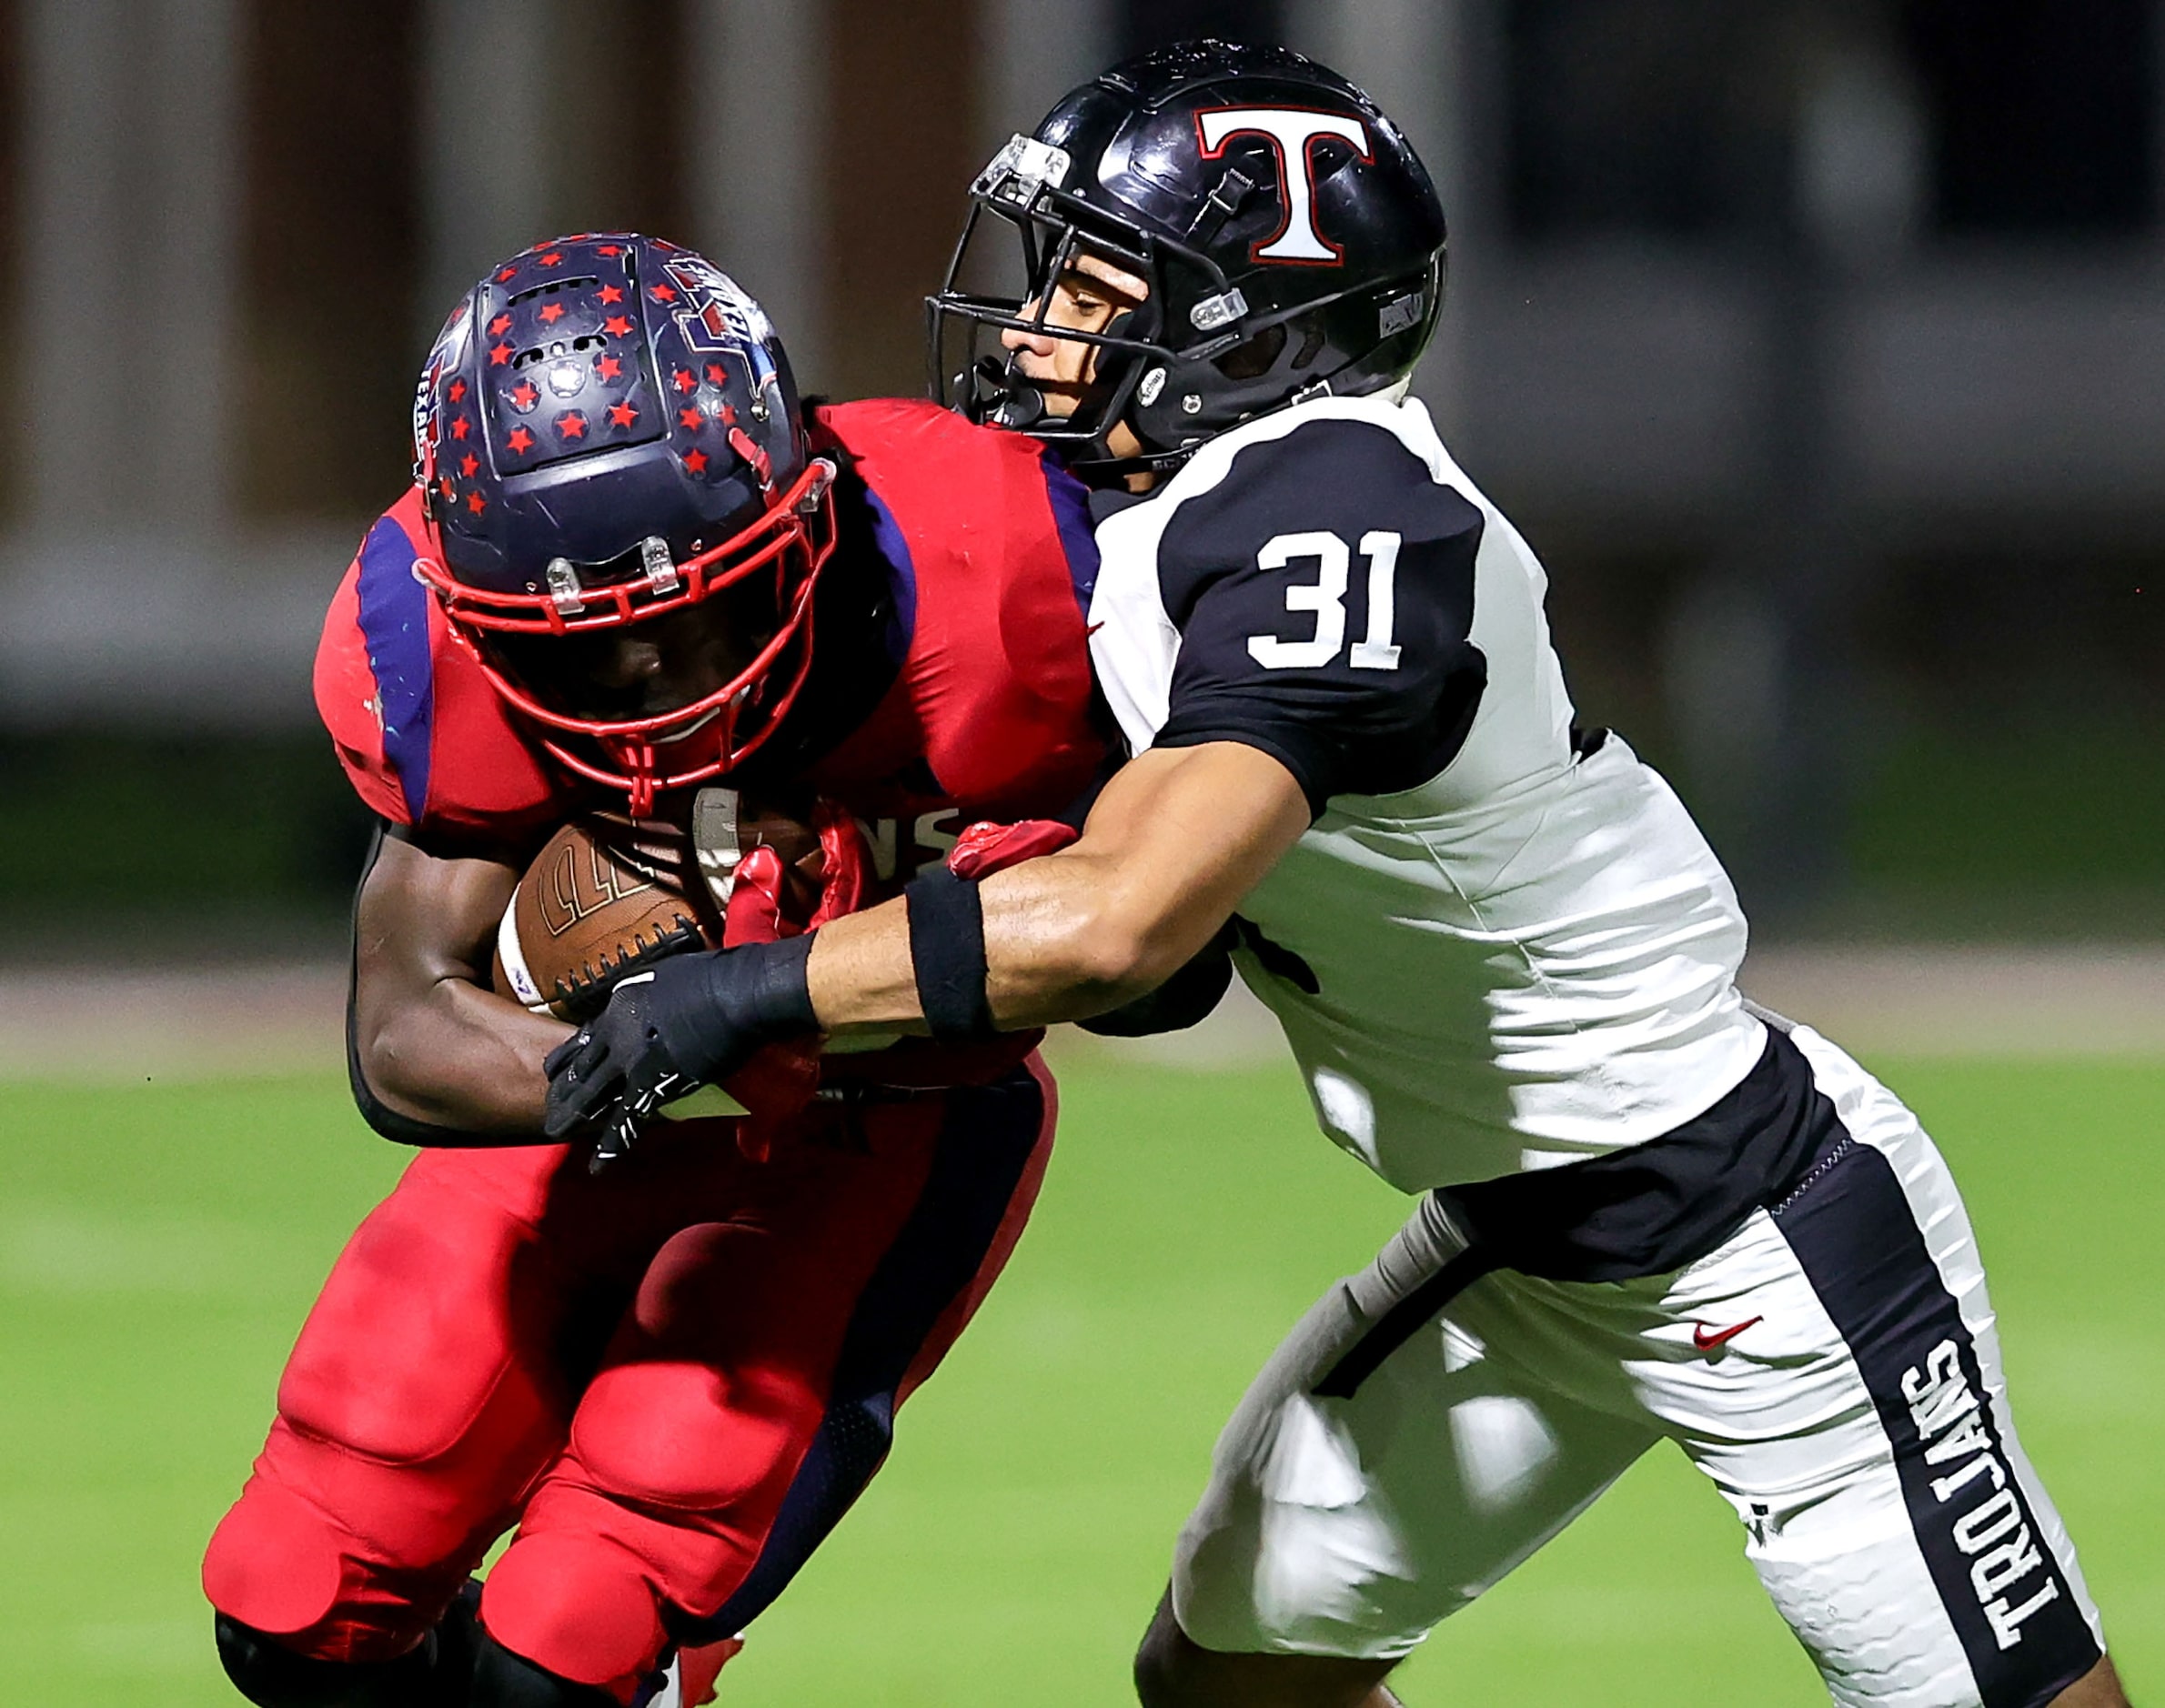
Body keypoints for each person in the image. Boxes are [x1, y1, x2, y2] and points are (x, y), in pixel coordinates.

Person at [547, 46, 2130, 1708]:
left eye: (1093, 289)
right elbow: (1167, 945)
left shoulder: (1334, 509)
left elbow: (1120, 923)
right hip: (1524, 1233)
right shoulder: (1180, 519)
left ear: (1258, 328)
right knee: (1231, 1678)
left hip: (1758, 1232)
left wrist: (741, 991)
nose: (1032, 334)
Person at [202, 232, 1119, 1708]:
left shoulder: (1003, 567)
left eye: (703, 607)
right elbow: (400, 1031)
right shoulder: (427, 640)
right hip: (604, 1117)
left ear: (801, 506)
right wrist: (653, 1042)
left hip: (892, 1119)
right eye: (587, 655)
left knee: (572, 1640)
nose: (661, 688)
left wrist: (857, 950)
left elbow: (1163, 957)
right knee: (294, 1603)